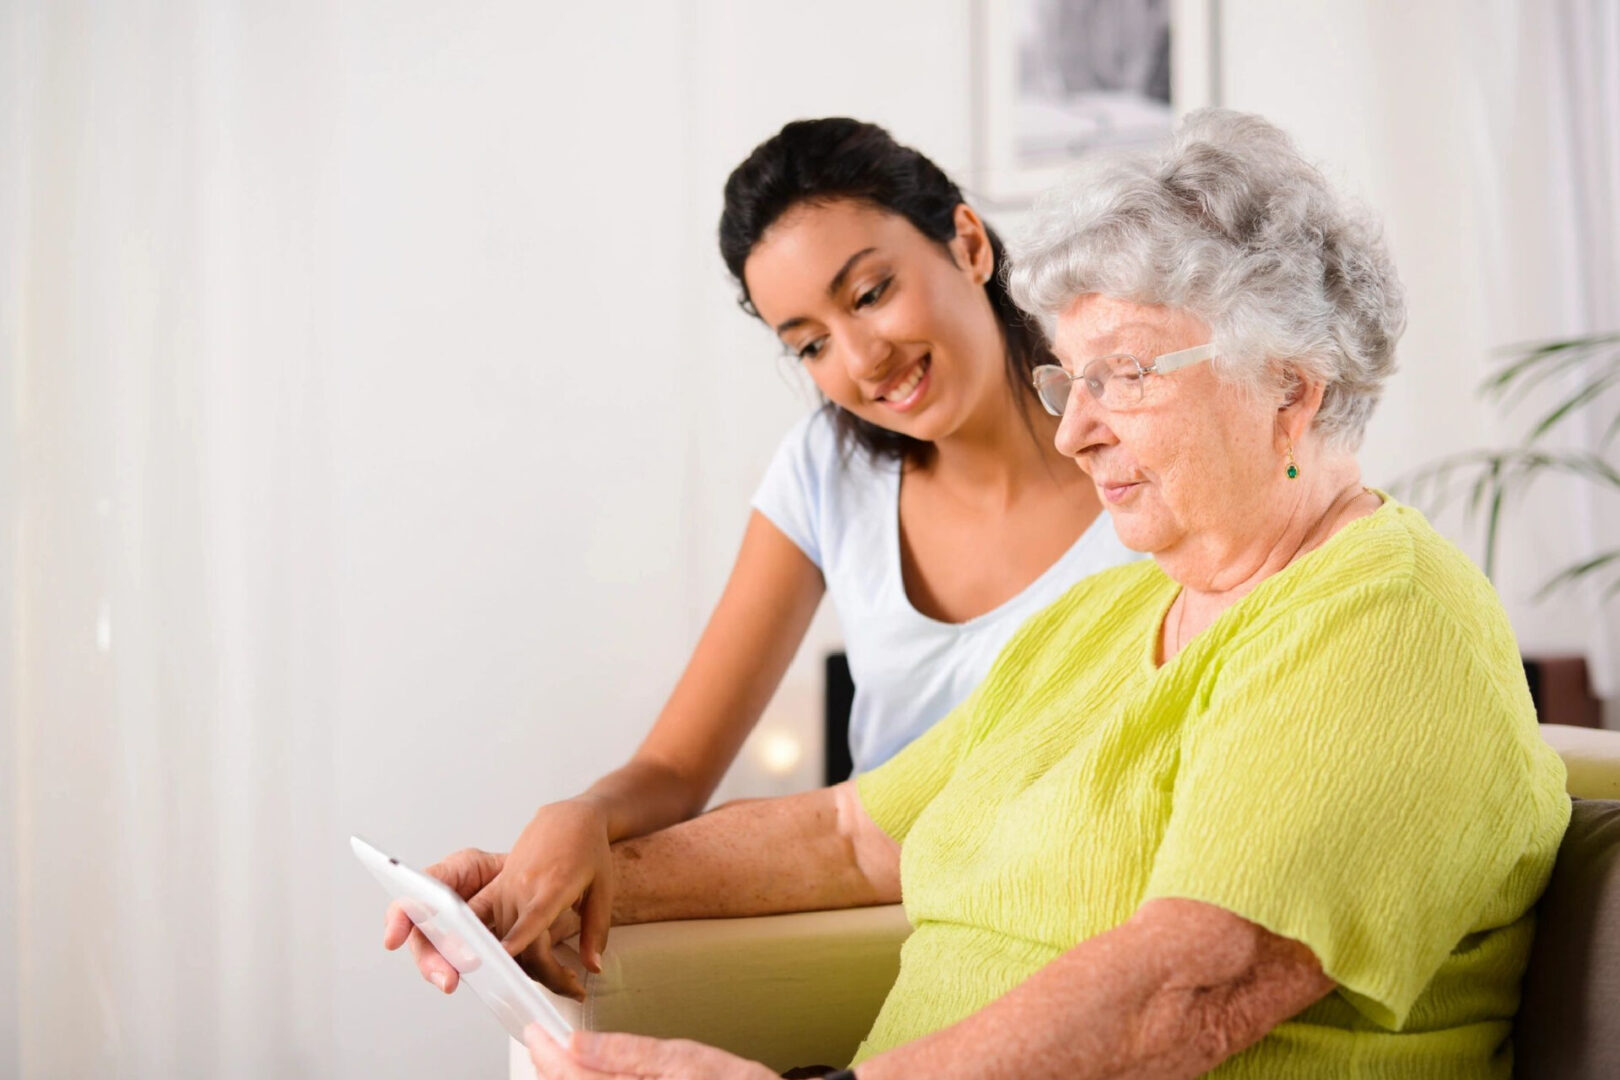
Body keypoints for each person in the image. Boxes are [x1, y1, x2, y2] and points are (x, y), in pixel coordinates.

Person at [501, 107, 1570, 1079]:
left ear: (1289, 389)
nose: (1075, 429)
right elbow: (853, 837)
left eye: (1127, 376)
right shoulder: (1105, 616)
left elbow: (1184, 991)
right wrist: (552, 882)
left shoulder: (1386, 618)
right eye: (1070, 379)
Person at [385, 119, 1139, 997]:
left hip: (1073, 919)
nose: (862, 360)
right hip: (881, 928)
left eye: (869, 292)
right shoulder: (828, 469)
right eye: (809, 343)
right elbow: (675, 769)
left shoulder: (1141, 445)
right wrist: (578, 821)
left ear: (967, 243)